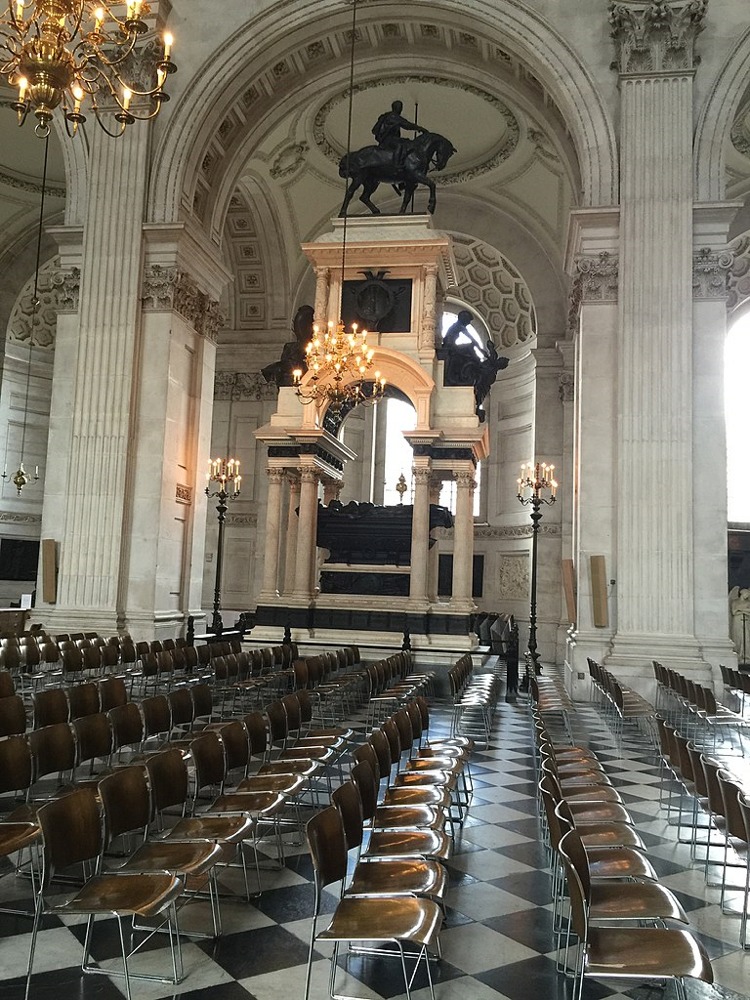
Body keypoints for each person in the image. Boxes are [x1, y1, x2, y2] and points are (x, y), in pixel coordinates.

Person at [372, 100, 427, 170]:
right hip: (389, 139)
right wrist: (421, 129)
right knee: (401, 144)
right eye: (400, 107)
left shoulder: (389, 116)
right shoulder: (393, 116)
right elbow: (407, 125)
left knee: (406, 141)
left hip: (390, 139)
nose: (401, 109)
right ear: (396, 108)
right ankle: (397, 164)